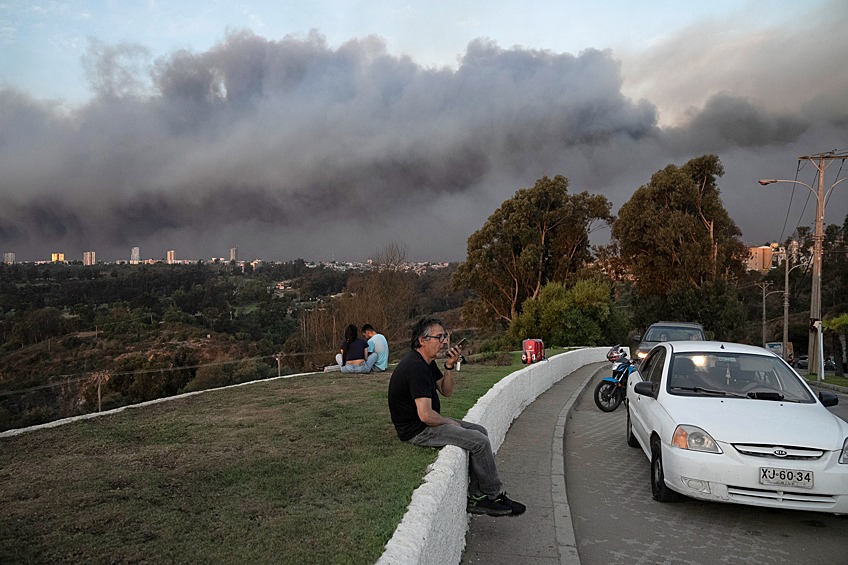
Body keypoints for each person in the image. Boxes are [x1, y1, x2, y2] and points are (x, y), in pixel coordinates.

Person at [387, 317, 525, 517]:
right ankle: (490, 496)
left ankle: (477, 495)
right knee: (478, 441)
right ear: (422, 340)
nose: (444, 341)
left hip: (426, 423)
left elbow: (446, 390)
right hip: (418, 431)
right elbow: (425, 415)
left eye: (445, 336)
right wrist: (448, 422)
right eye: (439, 337)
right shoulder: (415, 367)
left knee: (480, 431)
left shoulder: (426, 362)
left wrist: (450, 365)